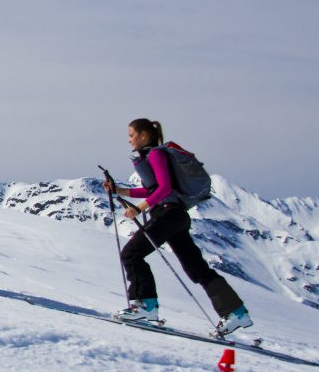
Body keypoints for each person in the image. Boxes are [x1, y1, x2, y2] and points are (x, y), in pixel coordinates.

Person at [104, 118, 253, 336]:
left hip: (168, 214)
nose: (129, 140)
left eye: (131, 135)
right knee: (196, 268)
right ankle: (236, 313)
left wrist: (140, 208)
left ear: (144, 135)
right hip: (175, 216)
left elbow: (164, 188)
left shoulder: (155, 154)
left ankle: (146, 306)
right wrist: (121, 191)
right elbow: (153, 189)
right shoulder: (153, 156)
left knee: (131, 253)